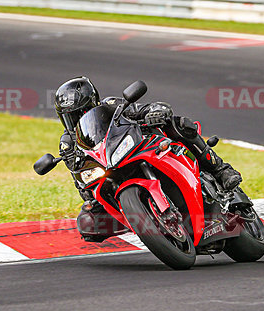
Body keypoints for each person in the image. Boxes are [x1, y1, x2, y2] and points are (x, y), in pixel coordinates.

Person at [54, 76, 242, 242]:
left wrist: (155, 111)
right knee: (88, 221)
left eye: (81, 112)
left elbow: (142, 108)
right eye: (70, 117)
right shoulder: (68, 144)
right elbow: (78, 176)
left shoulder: (111, 106)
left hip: (144, 147)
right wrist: (90, 197)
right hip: (110, 171)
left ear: (92, 103)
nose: (77, 119)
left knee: (179, 124)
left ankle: (221, 170)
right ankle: (143, 218)